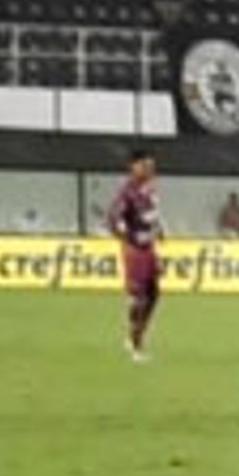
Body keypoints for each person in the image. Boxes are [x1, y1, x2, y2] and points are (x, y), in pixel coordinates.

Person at [107, 149, 163, 359]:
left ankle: (137, 336)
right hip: (136, 250)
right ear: (134, 166)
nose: (150, 170)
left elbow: (152, 217)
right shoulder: (127, 192)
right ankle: (135, 344)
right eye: (146, 166)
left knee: (154, 295)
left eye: (151, 167)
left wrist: (159, 232)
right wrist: (125, 237)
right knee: (138, 298)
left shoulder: (150, 191)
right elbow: (113, 219)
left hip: (149, 248)